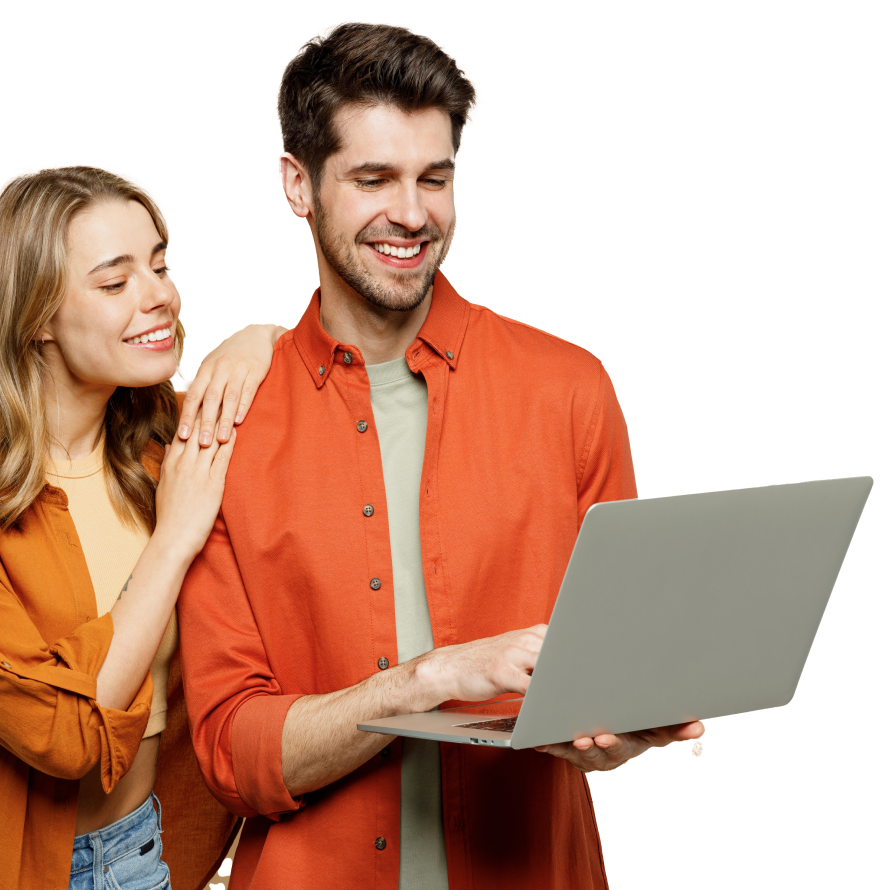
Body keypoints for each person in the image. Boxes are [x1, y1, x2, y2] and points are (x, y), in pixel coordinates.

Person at [177, 19, 705, 890]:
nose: (414, 215)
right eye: (373, 179)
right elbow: (234, 755)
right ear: (297, 183)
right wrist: (423, 681)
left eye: (435, 178)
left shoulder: (570, 390)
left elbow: (619, 661)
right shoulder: (225, 425)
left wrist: (619, 727)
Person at [0, 162, 287, 889]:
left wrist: (260, 338)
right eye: (116, 282)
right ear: (35, 315)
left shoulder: (170, 446)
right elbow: (63, 738)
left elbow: (330, 367)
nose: (160, 296)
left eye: (160, 267)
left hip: (143, 855)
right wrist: (172, 541)